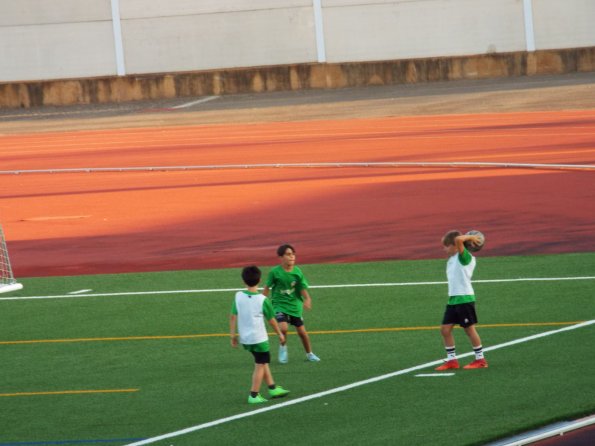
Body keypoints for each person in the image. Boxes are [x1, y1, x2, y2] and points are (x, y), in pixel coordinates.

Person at [230, 265, 290, 404]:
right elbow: (272, 320)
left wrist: (232, 335)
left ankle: (272, 387)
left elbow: (233, 316)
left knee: (262, 361)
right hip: (259, 339)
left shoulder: (238, 296)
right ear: (260, 280)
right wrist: (280, 334)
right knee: (260, 364)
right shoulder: (262, 300)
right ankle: (254, 395)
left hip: (246, 339)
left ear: (243, 281)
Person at [435, 230, 488, 370]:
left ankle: (480, 359)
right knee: (445, 330)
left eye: (446, 246)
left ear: (455, 246)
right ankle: (452, 361)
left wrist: (471, 237)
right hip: (453, 299)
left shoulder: (465, 258)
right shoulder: (452, 259)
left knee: (469, 330)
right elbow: (458, 240)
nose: (444, 249)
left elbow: (458, 239)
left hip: (465, 298)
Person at [263, 244, 320, 363]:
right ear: (281, 257)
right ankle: (283, 347)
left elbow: (301, 287)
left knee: (302, 332)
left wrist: (307, 298)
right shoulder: (275, 272)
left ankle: (309, 354)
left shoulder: (297, 272)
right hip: (279, 304)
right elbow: (267, 287)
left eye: (293, 254)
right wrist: (262, 301)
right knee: (283, 328)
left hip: (295, 305)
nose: (292, 257)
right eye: (288, 254)